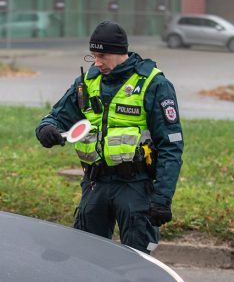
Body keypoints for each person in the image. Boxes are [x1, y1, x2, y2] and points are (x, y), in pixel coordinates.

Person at [35, 20, 183, 253]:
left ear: (119, 52)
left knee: (137, 263)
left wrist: (163, 199)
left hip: (135, 186)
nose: (97, 62)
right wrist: (46, 129)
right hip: (96, 185)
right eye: (93, 56)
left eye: (102, 56)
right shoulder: (87, 83)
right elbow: (56, 117)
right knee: (87, 259)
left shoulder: (153, 84)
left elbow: (171, 145)